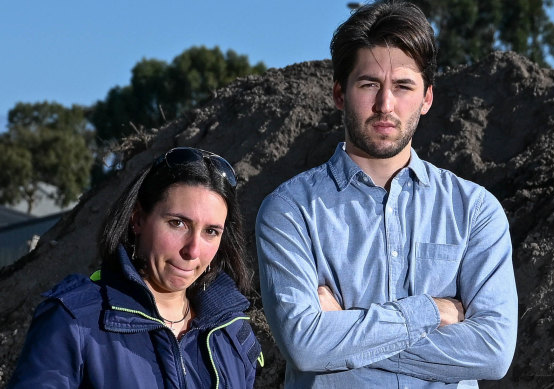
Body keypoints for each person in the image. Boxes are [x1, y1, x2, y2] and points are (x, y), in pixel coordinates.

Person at [255, 1, 517, 388]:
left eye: (403, 86)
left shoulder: (475, 211)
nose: (385, 104)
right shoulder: (290, 211)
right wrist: (427, 311)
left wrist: (344, 336)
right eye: (369, 84)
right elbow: (306, 347)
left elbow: (493, 353)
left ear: (427, 98)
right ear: (340, 95)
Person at [8, 147, 263, 388]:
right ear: (138, 219)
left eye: (211, 231)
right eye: (177, 223)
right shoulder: (73, 320)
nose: (193, 251)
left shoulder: (233, 332)